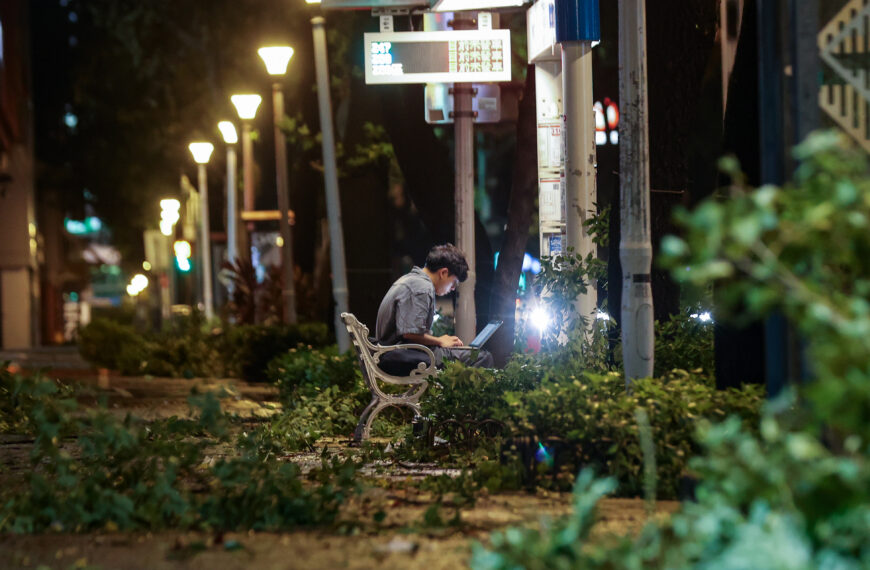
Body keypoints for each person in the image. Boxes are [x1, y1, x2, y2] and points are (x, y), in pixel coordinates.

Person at [375, 243, 494, 369]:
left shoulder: (412, 280)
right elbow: (409, 333)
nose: (453, 288)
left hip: (397, 353)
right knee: (482, 357)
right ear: (443, 273)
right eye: (454, 282)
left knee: (469, 353)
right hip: (402, 356)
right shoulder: (421, 287)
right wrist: (440, 341)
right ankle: (455, 389)